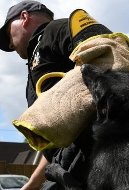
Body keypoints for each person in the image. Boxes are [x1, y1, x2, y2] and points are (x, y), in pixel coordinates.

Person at [0, 1, 112, 189]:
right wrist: (30, 186)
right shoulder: (34, 68)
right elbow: (56, 143)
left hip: (98, 161)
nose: (10, 44)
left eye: (7, 35)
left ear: (24, 17)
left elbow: (111, 53)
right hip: (68, 171)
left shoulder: (55, 29)